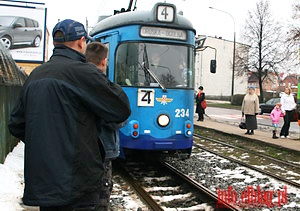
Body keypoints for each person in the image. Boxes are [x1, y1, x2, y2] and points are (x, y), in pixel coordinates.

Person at [8, 19, 131, 211]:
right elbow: (120, 108)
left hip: (44, 182)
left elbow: (16, 124)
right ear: (82, 42)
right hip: (78, 182)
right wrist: (99, 72)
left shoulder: (36, 75)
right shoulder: (83, 73)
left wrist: (47, 144)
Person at [85, 41, 124, 210]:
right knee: (100, 196)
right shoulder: (103, 84)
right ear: (103, 61)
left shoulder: (74, 79)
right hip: (102, 149)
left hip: (78, 148)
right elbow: (118, 119)